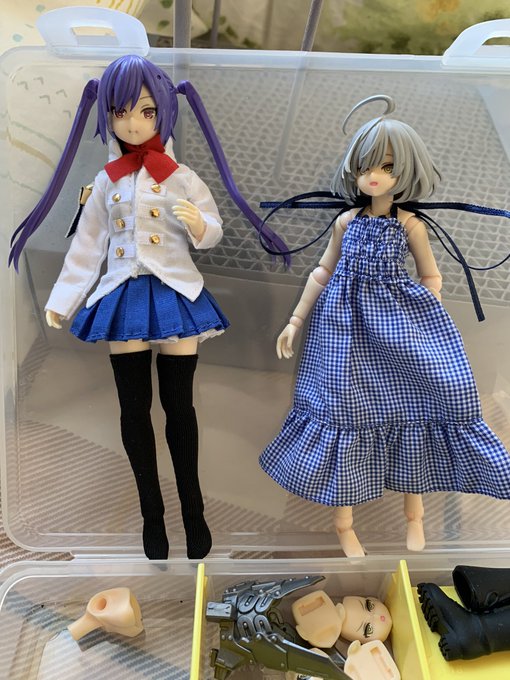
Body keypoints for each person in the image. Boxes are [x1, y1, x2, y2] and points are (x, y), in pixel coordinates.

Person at [10, 54, 286, 560]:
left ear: (164, 111)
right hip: (122, 294)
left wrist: (199, 225)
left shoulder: (182, 176)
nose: (133, 123)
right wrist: (63, 300)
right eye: (120, 113)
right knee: (133, 410)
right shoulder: (105, 182)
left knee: (180, 408)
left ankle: (194, 513)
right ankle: (151, 517)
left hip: (175, 292)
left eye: (145, 111)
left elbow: (213, 228)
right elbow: (87, 247)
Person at [259, 95, 510, 557]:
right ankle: (344, 526)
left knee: (415, 405)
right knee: (344, 412)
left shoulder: (411, 225)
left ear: (405, 170)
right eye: (364, 166)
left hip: (398, 327)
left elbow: (431, 277)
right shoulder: (346, 221)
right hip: (343, 333)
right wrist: (295, 320)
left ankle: (415, 518)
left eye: (387, 166)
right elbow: (322, 271)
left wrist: (427, 328)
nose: (373, 176)